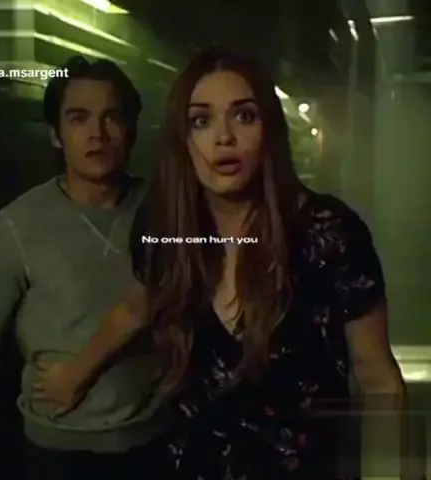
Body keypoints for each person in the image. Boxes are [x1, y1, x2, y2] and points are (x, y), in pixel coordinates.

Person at [30, 49, 406, 479]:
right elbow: (138, 305)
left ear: (269, 129)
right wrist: (74, 374)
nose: (224, 137)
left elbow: (378, 380)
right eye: (201, 121)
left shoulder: (329, 234)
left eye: (244, 116)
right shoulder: (166, 232)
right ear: (182, 140)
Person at [0, 56, 169, 480]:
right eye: (78, 118)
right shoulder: (18, 226)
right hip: (55, 453)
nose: (97, 133)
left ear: (132, 128)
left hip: (154, 444)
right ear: (56, 134)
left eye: (112, 117)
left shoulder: (165, 211)